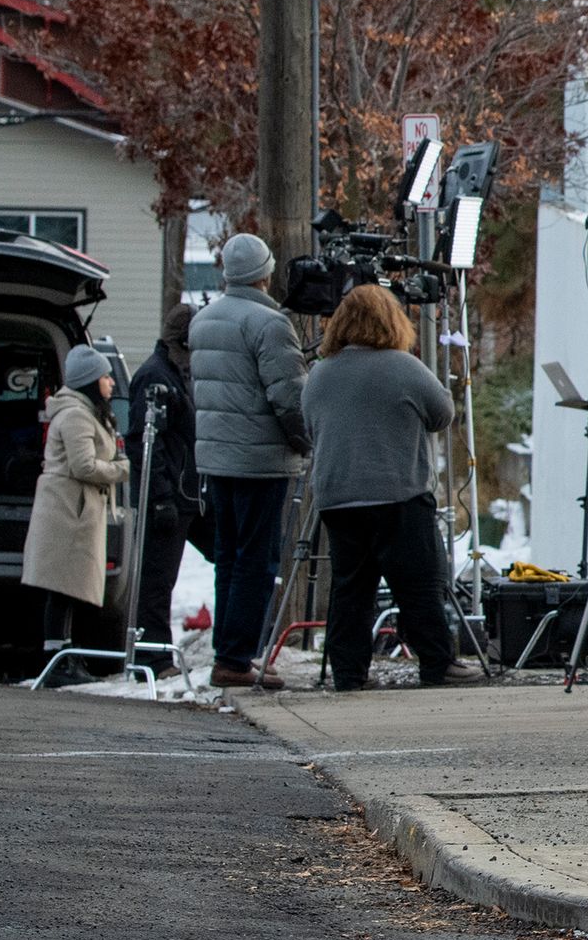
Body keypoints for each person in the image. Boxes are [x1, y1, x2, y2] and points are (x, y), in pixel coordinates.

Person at [301, 283, 460, 691]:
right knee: (418, 584)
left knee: (351, 589)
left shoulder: (320, 374)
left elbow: (308, 427)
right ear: (392, 321)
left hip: (338, 496)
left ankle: (348, 672)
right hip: (398, 494)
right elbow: (443, 413)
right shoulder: (403, 366)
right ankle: (437, 663)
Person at [191, 231, 311, 688]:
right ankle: (238, 658)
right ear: (266, 271)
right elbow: (289, 397)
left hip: (217, 459)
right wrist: (304, 441)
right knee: (257, 562)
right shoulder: (270, 324)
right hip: (260, 460)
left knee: (228, 558)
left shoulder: (203, 321)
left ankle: (230, 650)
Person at [20, 342, 130, 653]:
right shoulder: (76, 416)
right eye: (106, 377)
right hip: (68, 512)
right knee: (62, 587)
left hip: (75, 510)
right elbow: (83, 466)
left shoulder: (85, 413)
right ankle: (57, 654)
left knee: (68, 588)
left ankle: (63, 652)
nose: (110, 383)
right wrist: (121, 469)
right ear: (92, 381)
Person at [124, 301, 203, 655]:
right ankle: (152, 655)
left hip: (186, 493)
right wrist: (160, 497)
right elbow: (145, 443)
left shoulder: (174, 373)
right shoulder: (157, 378)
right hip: (171, 494)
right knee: (157, 578)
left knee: (165, 575)